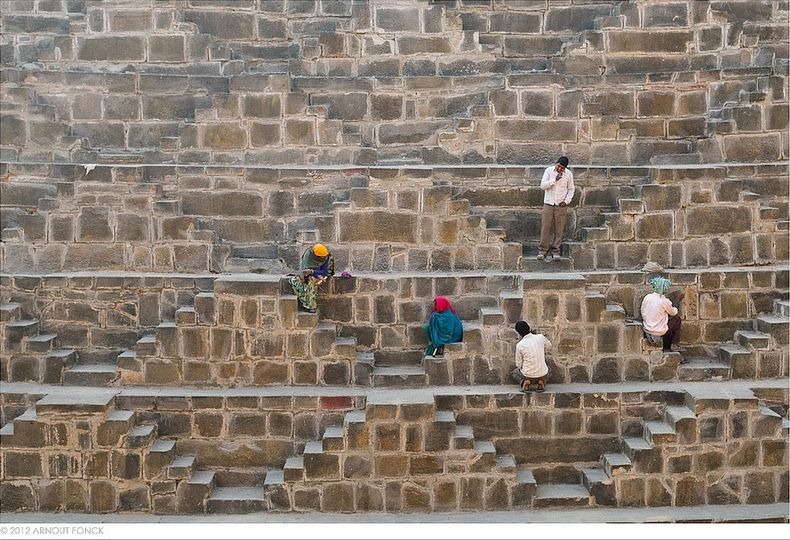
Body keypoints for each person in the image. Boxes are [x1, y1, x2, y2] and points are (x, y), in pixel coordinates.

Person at [537, 156, 575, 261]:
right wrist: (554, 180)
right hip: (548, 203)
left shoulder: (568, 174)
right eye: (558, 166)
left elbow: (571, 189)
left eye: (562, 168)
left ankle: (555, 251)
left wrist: (566, 201)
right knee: (545, 227)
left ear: (565, 168)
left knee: (559, 229)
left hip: (560, 205)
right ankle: (542, 251)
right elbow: (542, 186)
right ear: (556, 163)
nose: (559, 169)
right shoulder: (549, 171)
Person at [641, 276, 683, 352]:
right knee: (677, 320)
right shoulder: (664, 301)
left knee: (666, 324)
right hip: (658, 331)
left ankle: (667, 346)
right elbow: (673, 312)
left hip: (647, 329)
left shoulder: (647, 297)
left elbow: (643, 312)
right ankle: (674, 345)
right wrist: (678, 301)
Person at [289, 243, 334, 313]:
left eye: (324, 257)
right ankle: (305, 299)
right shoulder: (308, 255)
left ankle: (311, 306)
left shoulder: (326, 257)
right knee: (293, 281)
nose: (323, 258)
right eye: (321, 257)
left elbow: (324, 272)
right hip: (306, 275)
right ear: (316, 256)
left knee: (311, 282)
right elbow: (304, 269)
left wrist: (313, 272)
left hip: (318, 276)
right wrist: (307, 274)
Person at [510, 320, 551, 393]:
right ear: (529, 328)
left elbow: (518, 365)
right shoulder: (540, 337)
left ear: (519, 333)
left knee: (514, 373)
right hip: (543, 373)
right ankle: (541, 381)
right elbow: (549, 345)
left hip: (527, 374)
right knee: (549, 370)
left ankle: (525, 382)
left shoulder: (520, 345)